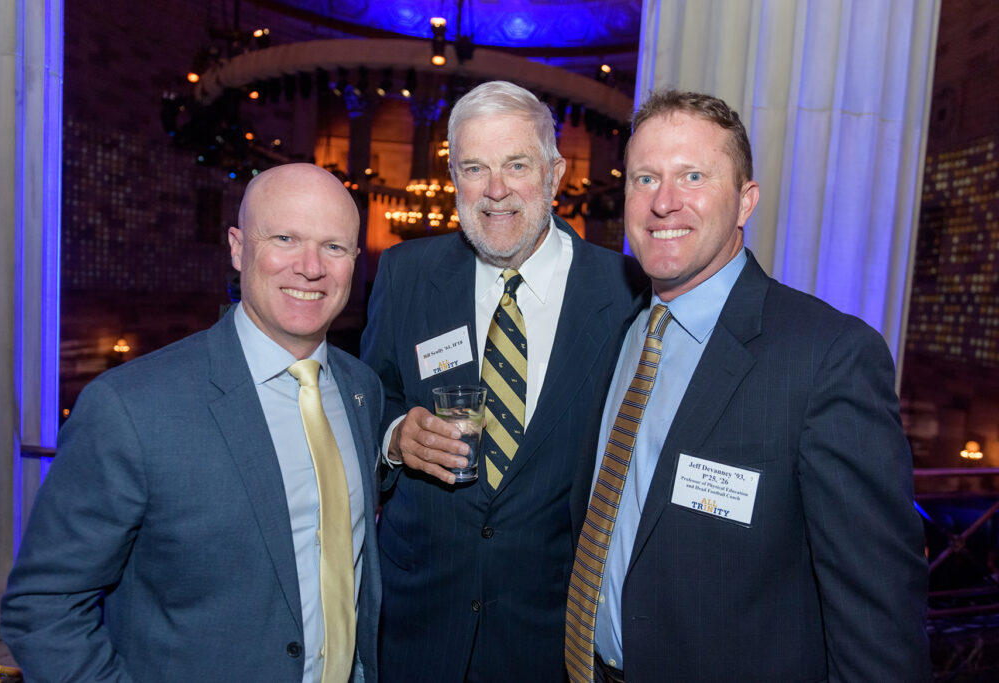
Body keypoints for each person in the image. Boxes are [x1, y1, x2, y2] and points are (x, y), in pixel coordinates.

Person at [564, 89, 930, 682]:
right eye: (644, 178)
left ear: (744, 201)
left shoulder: (827, 357)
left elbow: (876, 614)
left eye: (693, 176)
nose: (664, 202)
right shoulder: (624, 333)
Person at [1, 164, 384, 682]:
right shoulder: (131, 408)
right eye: (285, 238)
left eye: (334, 247)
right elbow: (45, 606)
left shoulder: (363, 389)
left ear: (355, 261)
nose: (311, 267)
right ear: (237, 247)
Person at [360, 81, 647, 682]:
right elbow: (372, 395)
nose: (495, 190)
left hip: (549, 633)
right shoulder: (405, 272)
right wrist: (394, 437)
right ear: (454, 175)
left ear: (555, 173)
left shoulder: (625, 291)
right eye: (474, 167)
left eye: (517, 165)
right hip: (417, 624)